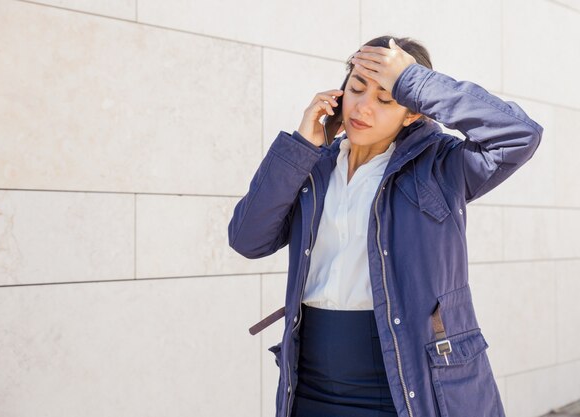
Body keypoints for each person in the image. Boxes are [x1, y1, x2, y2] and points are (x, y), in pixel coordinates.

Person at [228, 35, 543, 417]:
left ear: (413, 112)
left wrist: (413, 80)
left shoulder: (441, 167)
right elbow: (247, 238)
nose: (362, 107)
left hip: (405, 385)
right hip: (309, 385)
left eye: (386, 97)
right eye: (357, 88)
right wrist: (299, 147)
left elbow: (519, 135)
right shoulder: (314, 166)